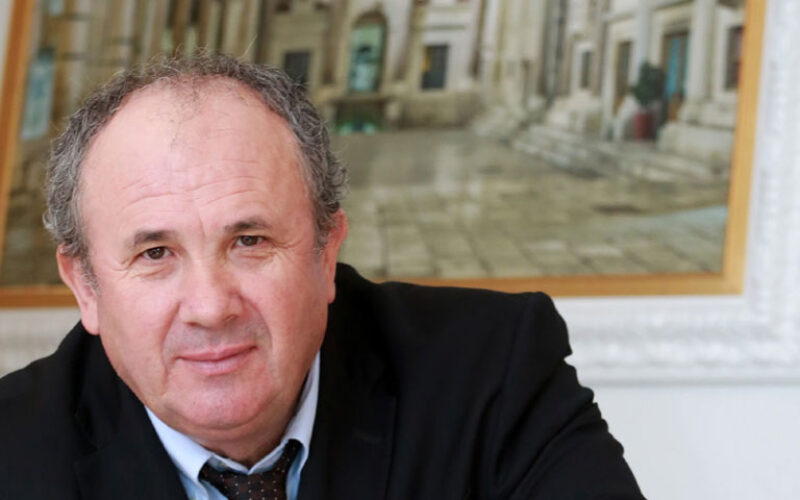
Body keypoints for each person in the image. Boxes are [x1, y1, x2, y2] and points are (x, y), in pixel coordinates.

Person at [0, 54, 643, 500]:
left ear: (326, 252)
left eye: (249, 241)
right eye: (155, 254)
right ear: (85, 286)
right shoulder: (12, 451)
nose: (211, 307)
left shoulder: (492, 372)